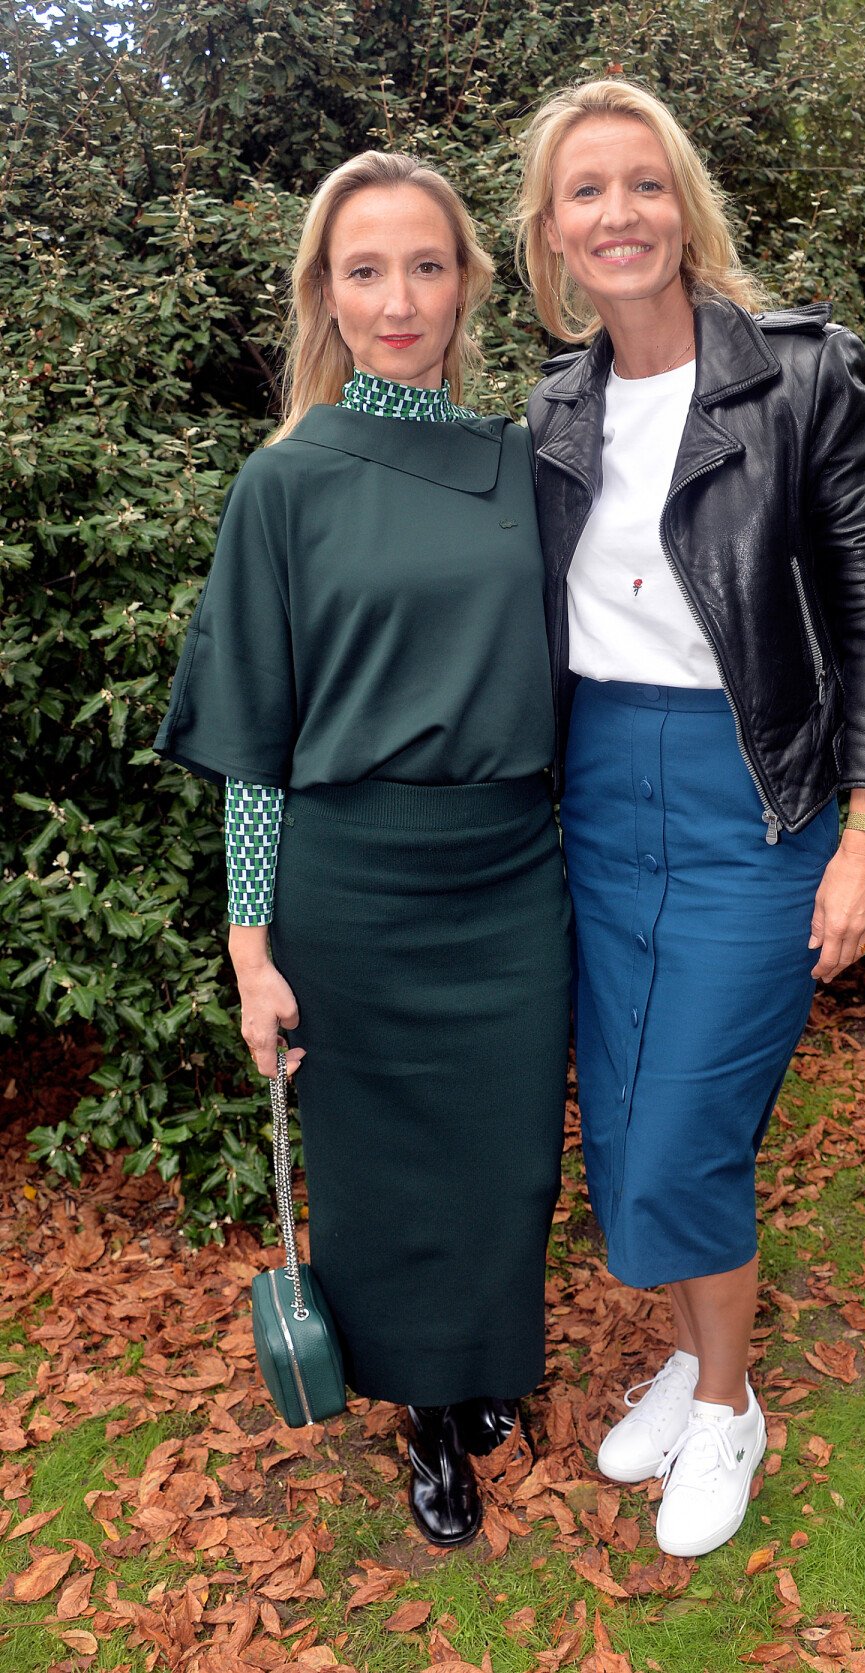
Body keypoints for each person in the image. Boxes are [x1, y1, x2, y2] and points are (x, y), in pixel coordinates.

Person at [516, 80, 865, 1557]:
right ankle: (693, 1354)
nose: (616, 213)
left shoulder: (804, 374)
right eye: (584, 193)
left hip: (762, 798)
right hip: (603, 794)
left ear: (682, 203)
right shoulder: (555, 408)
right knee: (622, 1127)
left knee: (685, 1127)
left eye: (642, 183)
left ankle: (729, 1403)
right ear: (551, 234)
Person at [155, 150, 571, 1548]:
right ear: (326, 295)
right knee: (387, 1170)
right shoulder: (286, 484)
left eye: (427, 265)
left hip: (515, 870)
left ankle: (488, 1361)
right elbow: (254, 742)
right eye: (366, 270)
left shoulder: (528, 459)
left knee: (508, 1151)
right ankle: (429, 1415)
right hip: (359, 881)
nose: (400, 299)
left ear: (469, 284)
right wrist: (249, 952)